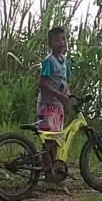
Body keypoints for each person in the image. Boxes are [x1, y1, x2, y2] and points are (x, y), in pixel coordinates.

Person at [36, 26, 71, 181]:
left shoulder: (64, 62)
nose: (61, 42)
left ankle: (52, 169)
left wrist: (68, 94)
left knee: (56, 140)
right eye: (57, 40)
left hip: (58, 107)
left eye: (63, 39)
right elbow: (42, 83)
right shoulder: (49, 61)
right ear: (51, 43)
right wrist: (59, 95)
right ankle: (48, 172)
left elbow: (65, 82)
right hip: (47, 105)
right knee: (48, 141)